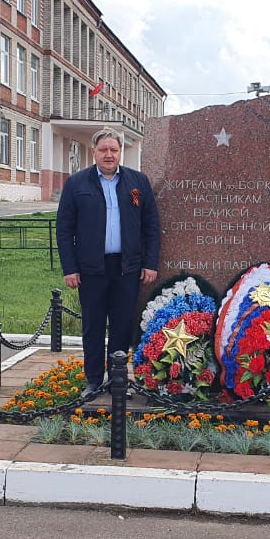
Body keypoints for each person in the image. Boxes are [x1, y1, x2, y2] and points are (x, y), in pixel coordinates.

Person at [56, 128, 161, 396]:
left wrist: (150, 263)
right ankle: (93, 380)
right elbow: (64, 229)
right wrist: (70, 268)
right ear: (94, 152)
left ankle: (117, 380)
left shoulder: (138, 182)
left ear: (120, 152)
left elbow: (151, 226)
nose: (109, 155)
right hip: (91, 269)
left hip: (127, 268)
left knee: (122, 324)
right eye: (103, 150)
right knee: (92, 325)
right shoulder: (76, 184)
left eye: (114, 150)